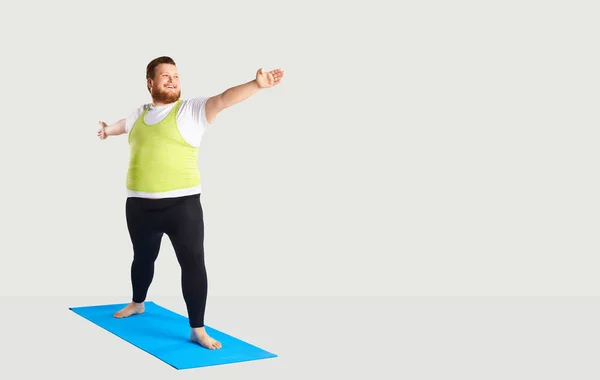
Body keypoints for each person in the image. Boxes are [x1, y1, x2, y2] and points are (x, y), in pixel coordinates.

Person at [97, 56, 285, 350]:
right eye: (165, 76)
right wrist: (108, 130)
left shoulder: (191, 111)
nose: (172, 80)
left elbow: (223, 100)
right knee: (143, 258)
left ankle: (197, 329)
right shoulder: (139, 114)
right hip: (138, 207)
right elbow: (124, 125)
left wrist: (256, 85)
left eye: (176, 75)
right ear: (150, 83)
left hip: (181, 207)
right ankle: (137, 303)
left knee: (193, 264)